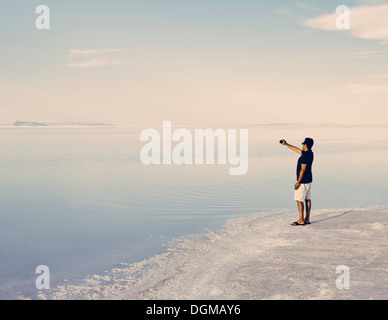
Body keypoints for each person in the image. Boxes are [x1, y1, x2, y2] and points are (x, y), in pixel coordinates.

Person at [280, 138, 314, 226]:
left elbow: (303, 170)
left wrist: (298, 182)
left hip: (302, 181)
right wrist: (286, 144)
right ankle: (307, 219)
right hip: (309, 180)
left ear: (305, 145)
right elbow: (297, 150)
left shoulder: (305, 156)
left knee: (299, 200)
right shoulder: (309, 153)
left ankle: (301, 220)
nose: (302, 145)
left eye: (303, 143)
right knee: (307, 199)